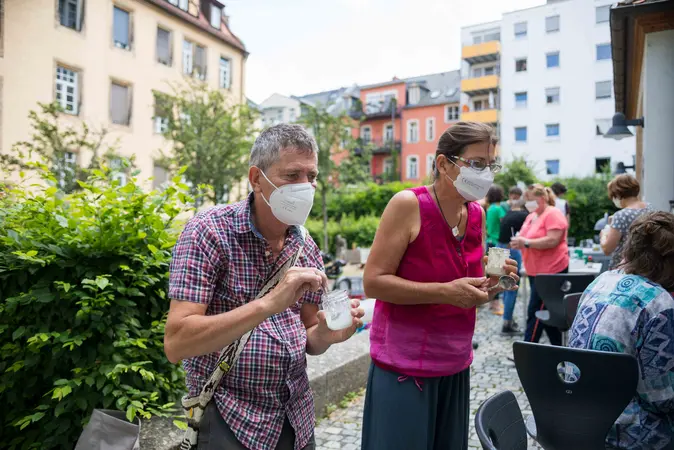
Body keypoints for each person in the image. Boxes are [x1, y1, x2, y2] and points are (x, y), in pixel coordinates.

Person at [165, 124, 364, 450]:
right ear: (257, 178)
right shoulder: (209, 232)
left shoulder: (305, 245)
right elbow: (177, 342)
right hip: (231, 419)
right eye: (292, 176)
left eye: (311, 176)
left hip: (296, 418)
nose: (305, 187)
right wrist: (269, 304)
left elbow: (309, 335)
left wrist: (327, 335)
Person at [360, 122, 519, 450]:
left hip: (454, 363)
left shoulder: (475, 214)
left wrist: (494, 286)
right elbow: (373, 283)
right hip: (405, 368)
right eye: (476, 164)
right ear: (443, 163)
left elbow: (467, 293)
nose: (485, 173)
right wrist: (444, 291)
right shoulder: (408, 205)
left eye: (490, 165)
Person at [569, 211, 674, 450]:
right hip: (622, 429)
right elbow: (660, 398)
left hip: (575, 412)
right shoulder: (658, 302)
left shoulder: (602, 279)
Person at [511, 184, 569, 345]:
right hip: (535, 270)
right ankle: (559, 349)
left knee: (536, 311)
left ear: (541, 198)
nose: (527, 202)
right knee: (547, 313)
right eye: (526, 199)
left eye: (530, 199)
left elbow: (553, 240)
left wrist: (527, 243)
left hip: (550, 271)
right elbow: (524, 235)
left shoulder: (553, 214)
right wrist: (518, 241)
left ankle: (528, 349)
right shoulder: (532, 215)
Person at [600, 174, 652, 270]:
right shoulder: (650, 208)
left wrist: (603, 234)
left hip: (625, 269)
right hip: (647, 265)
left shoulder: (621, 215)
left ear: (618, 194)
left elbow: (607, 249)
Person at [497, 194, 528, 335]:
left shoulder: (509, 213)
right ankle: (506, 324)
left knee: (503, 286)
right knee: (512, 287)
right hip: (511, 249)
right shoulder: (525, 215)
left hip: (498, 248)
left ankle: (506, 319)